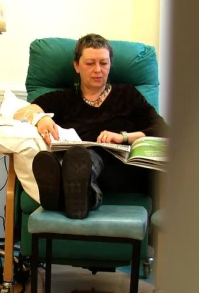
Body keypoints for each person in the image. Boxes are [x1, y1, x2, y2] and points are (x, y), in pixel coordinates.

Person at [13, 33, 167, 219]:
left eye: (103, 63)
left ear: (110, 65)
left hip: (121, 171)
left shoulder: (128, 95)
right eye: (90, 63)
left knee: (84, 158)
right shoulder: (63, 99)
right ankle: (80, 194)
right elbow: (20, 113)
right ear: (76, 66)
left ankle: (61, 192)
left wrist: (123, 137)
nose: (98, 70)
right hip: (76, 164)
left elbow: (161, 128)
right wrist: (40, 118)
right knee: (78, 156)